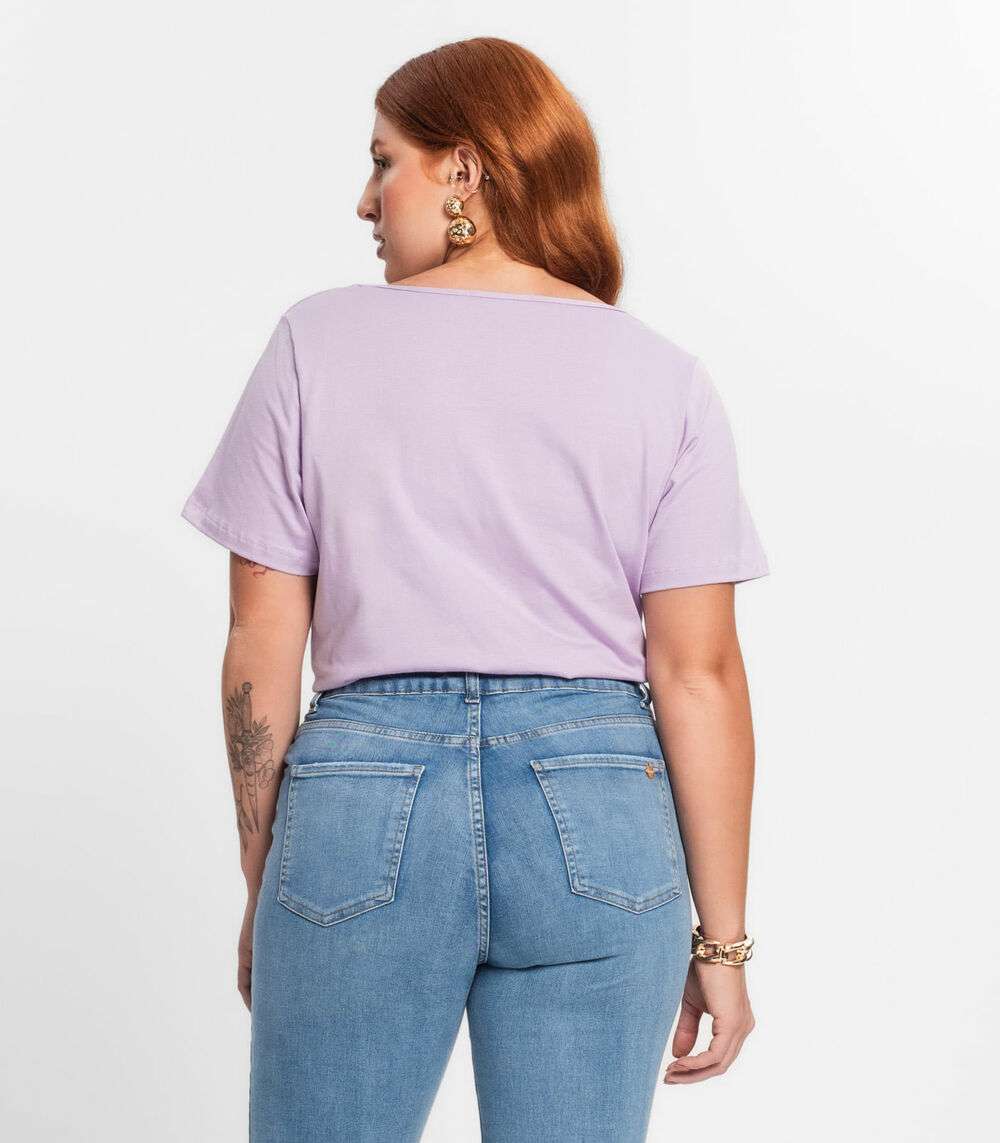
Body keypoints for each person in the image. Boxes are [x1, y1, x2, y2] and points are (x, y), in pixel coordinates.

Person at [180, 35, 769, 1143]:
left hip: (361, 796)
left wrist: (270, 881)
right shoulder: (661, 376)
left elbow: (260, 638)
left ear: (462, 169)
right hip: (597, 800)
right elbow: (699, 673)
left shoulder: (315, 342)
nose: (365, 200)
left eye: (383, 161)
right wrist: (722, 942)